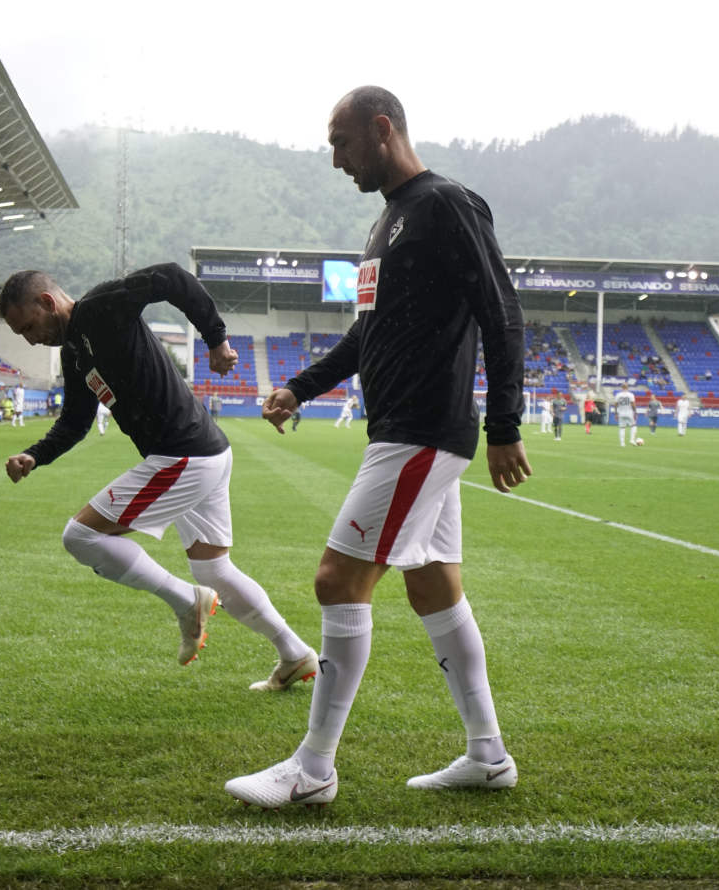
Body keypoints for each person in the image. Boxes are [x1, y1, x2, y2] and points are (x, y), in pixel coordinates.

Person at [225, 86, 531, 809]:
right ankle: (487, 756)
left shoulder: (445, 205)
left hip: (422, 430)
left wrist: (505, 426)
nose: (335, 161)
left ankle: (312, 769)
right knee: (431, 584)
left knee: (337, 580)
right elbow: (368, 336)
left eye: (342, 143)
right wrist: (298, 387)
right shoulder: (385, 225)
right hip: (401, 427)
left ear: (381, 128)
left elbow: (502, 314)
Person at [0, 264, 317, 689]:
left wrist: (216, 338)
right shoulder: (75, 352)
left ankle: (187, 603)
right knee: (216, 571)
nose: (31, 339)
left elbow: (171, 277)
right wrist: (34, 455)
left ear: (47, 302)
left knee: (80, 536)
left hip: (182, 456)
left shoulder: (102, 307)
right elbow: (75, 420)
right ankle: (294, 654)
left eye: (29, 327)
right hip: (205, 454)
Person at [614, 383, 638, 447]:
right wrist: (635, 412)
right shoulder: (630, 395)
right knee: (633, 426)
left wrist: (616, 413)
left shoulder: (618, 395)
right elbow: (633, 404)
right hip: (629, 412)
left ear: (622, 387)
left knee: (622, 428)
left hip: (621, 413)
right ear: (627, 387)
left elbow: (615, 404)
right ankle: (632, 440)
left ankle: (622, 443)